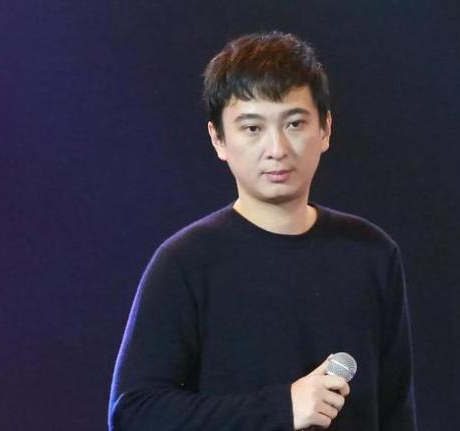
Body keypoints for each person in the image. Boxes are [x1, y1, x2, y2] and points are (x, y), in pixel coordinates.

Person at [108, 31, 417, 430]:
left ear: (325, 129)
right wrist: (283, 408)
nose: (277, 149)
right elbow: (134, 413)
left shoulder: (371, 253)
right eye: (252, 128)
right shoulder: (186, 262)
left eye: (294, 123)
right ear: (218, 139)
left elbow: (396, 413)